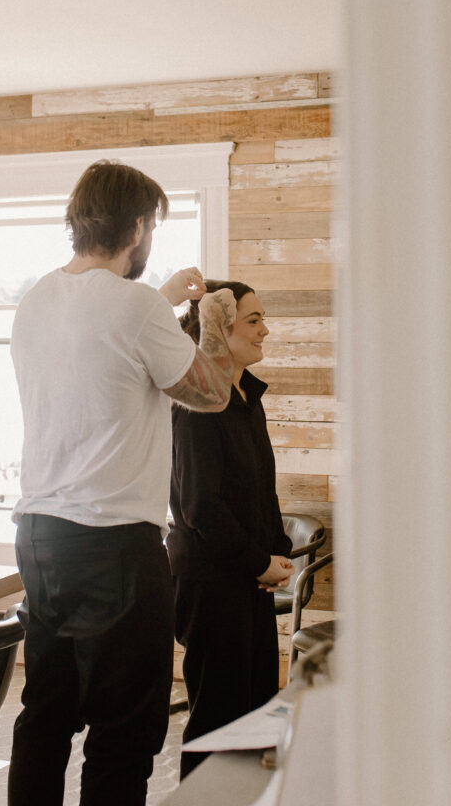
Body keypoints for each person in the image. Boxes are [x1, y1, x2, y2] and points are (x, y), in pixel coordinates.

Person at [7, 160, 236, 806]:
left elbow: (105, 341)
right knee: (125, 730)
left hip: (40, 538)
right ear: (138, 226)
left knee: (45, 716)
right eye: (152, 227)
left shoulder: (36, 300)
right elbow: (213, 393)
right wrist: (212, 314)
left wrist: (160, 300)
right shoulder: (135, 307)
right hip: (114, 547)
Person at [166, 280, 295, 779]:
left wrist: (276, 554)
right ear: (221, 327)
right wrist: (259, 562)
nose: (266, 330)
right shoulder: (198, 403)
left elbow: (261, 490)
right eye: (254, 320)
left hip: (246, 578)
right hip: (211, 583)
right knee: (219, 722)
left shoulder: (246, 395)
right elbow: (201, 507)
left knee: (257, 711)